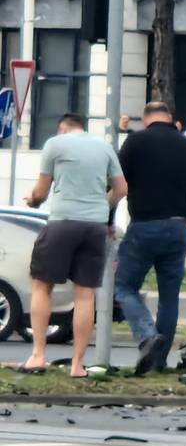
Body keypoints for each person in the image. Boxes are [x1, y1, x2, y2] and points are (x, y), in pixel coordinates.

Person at [23, 113, 128, 378]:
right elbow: (122, 188)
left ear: (62, 128)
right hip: (93, 226)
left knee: (41, 285)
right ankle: (78, 365)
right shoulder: (104, 147)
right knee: (85, 295)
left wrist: (33, 201)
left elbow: (41, 190)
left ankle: (38, 355)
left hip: (62, 221)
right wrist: (103, 205)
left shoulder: (54, 145)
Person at [116, 102, 186, 374]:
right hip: (178, 229)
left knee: (125, 286)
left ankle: (147, 335)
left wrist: (108, 220)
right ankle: (158, 362)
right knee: (169, 298)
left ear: (147, 120)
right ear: (170, 119)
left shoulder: (135, 143)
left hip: (144, 226)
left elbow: (118, 184)